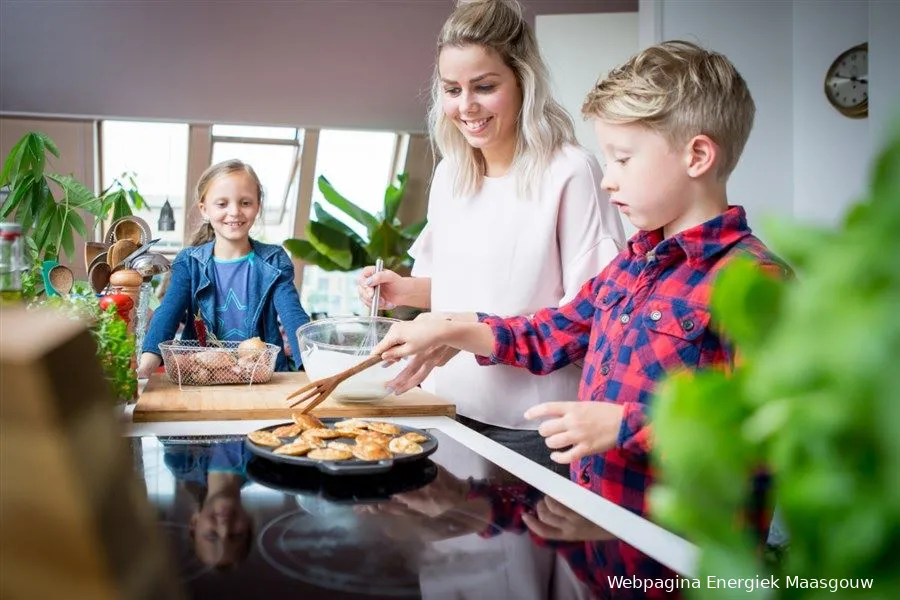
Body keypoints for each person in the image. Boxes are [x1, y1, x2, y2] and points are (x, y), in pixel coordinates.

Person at [372, 40, 789, 538]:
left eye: (623, 159)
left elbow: (768, 434)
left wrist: (624, 427)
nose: (608, 180)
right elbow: (549, 333)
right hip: (601, 554)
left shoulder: (757, 283)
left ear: (697, 155)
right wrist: (447, 326)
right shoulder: (631, 266)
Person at [357, 0, 624, 473]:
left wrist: (465, 333)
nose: (466, 107)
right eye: (452, 90)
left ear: (523, 81)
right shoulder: (451, 175)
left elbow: (591, 322)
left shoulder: (570, 172)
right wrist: (406, 289)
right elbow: (457, 289)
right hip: (445, 410)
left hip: (531, 428)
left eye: (484, 87)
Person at [138, 159, 309, 377]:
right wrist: (144, 370)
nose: (234, 211)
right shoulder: (189, 262)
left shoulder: (274, 260)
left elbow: (293, 316)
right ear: (204, 210)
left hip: (263, 378)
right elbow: (167, 316)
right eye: (222, 204)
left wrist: (311, 370)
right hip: (201, 376)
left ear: (258, 207)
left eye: (245, 202)